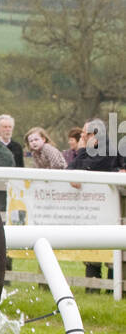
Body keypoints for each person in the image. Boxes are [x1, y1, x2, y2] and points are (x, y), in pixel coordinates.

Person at [70, 119, 125, 287]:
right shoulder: (91, 149)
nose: (82, 138)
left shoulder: (108, 149)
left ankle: (112, 288)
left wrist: (80, 151)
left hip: (112, 208)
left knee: (112, 249)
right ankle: (92, 287)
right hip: (96, 208)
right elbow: (70, 168)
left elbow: (88, 168)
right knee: (92, 247)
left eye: (84, 135)